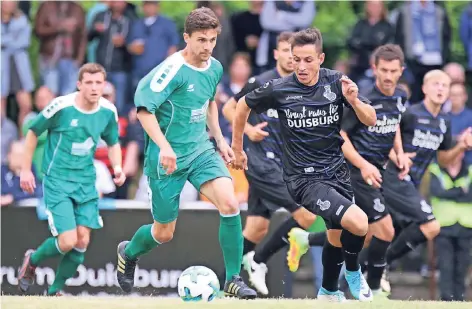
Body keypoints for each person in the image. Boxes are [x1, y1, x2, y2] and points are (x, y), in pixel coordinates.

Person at [115, 7, 256, 299]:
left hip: (200, 150)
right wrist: (165, 147)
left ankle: (232, 278)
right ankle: (128, 253)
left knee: (229, 204)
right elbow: (143, 111)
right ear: (186, 38)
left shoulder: (215, 67)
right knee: (163, 232)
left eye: (212, 40)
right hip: (167, 160)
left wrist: (219, 138)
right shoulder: (171, 70)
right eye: (201, 40)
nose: (207, 47)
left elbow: (210, 101)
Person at [231, 28, 377, 302]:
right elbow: (241, 106)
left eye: (308, 60)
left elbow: (370, 119)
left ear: (320, 58)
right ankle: (355, 272)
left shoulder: (337, 83)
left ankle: (329, 292)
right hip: (304, 179)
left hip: (337, 174)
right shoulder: (279, 87)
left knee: (335, 235)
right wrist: (238, 148)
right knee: (359, 223)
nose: (301, 66)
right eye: (296, 59)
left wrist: (355, 101)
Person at [288, 44, 410, 296]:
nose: (388, 76)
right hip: (357, 171)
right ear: (374, 68)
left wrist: (398, 152)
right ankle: (374, 289)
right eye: (383, 70)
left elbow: (392, 125)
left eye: (393, 71)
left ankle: (322, 263)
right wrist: (363, 165)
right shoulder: (360, 97)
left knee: (357, 234)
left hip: (379, 171)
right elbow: (341, 134)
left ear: (401, 71)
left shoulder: (400, 96)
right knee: (384, 231)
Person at [16, 63, 126, 296]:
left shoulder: (108, 111)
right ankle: (32, 260)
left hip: (86, 182)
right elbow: (33, 132)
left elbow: (113, 142)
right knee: (67, 241)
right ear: (79, 85)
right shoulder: (61, 106)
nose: (95, 88)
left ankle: (53, 292)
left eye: (99, 83)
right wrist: (25, 170)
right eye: (89, 82)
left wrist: (117, 167)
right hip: (57, 181)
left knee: (82, 241)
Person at [222, 31, 316, 295]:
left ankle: (226, 286)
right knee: (307, 215)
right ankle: (259, 261)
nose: (290, 57)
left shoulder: (302, 85)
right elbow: (229, 108)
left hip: (284, 165)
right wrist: (248, 132)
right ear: (276, 53)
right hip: (260, 163)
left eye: (294, 53)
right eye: (285, 51)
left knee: (256, 227)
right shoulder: (261, 82)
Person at [382, 70, 472, 288]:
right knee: (430, 225)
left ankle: (364, 271)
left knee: (373, 232)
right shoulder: (411, 113)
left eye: (445, 85)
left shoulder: (444, 122)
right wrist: (398, 155)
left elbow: (442, 160)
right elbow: (384, 138)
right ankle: (379, 265)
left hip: (412, 185)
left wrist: (461, 146)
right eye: (436, 84)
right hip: (394, 178)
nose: (441, 89)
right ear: (425, 88)